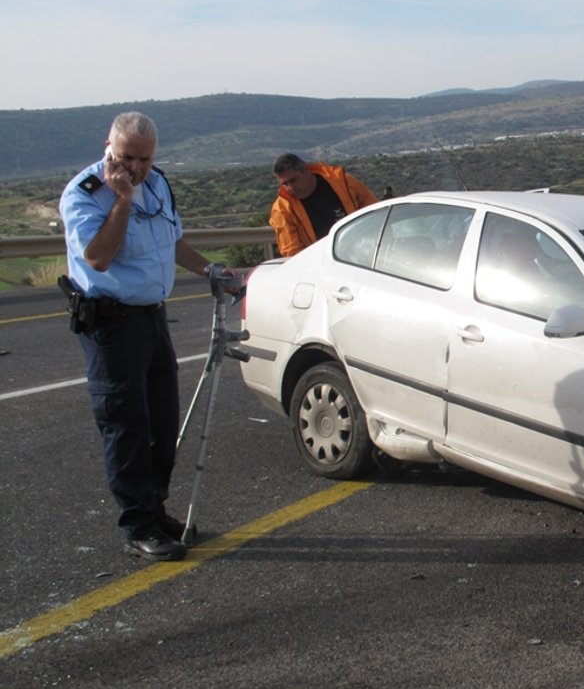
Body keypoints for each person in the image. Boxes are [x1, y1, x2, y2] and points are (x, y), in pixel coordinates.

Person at [60, 112, 235, 562]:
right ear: (108, 147)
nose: (136, 168)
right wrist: (120, 200)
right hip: (111, 323)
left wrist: (209, 269)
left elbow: (171, 239)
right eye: (127, 158)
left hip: (152, 318)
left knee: (161, 419)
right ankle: (137, 526)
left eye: (145, 158)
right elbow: (98, 258)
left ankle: (154, 511)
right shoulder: (87, 194)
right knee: (126, 425)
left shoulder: (157, 183)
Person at [269, 153, 378, 257]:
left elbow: (375, 210)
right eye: (285, 184)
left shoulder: (343, 182)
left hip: (364, 252)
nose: (290, 187)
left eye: (293, 180)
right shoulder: (282, 209)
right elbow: (292, 251)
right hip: (320, 264)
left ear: (305, 170)